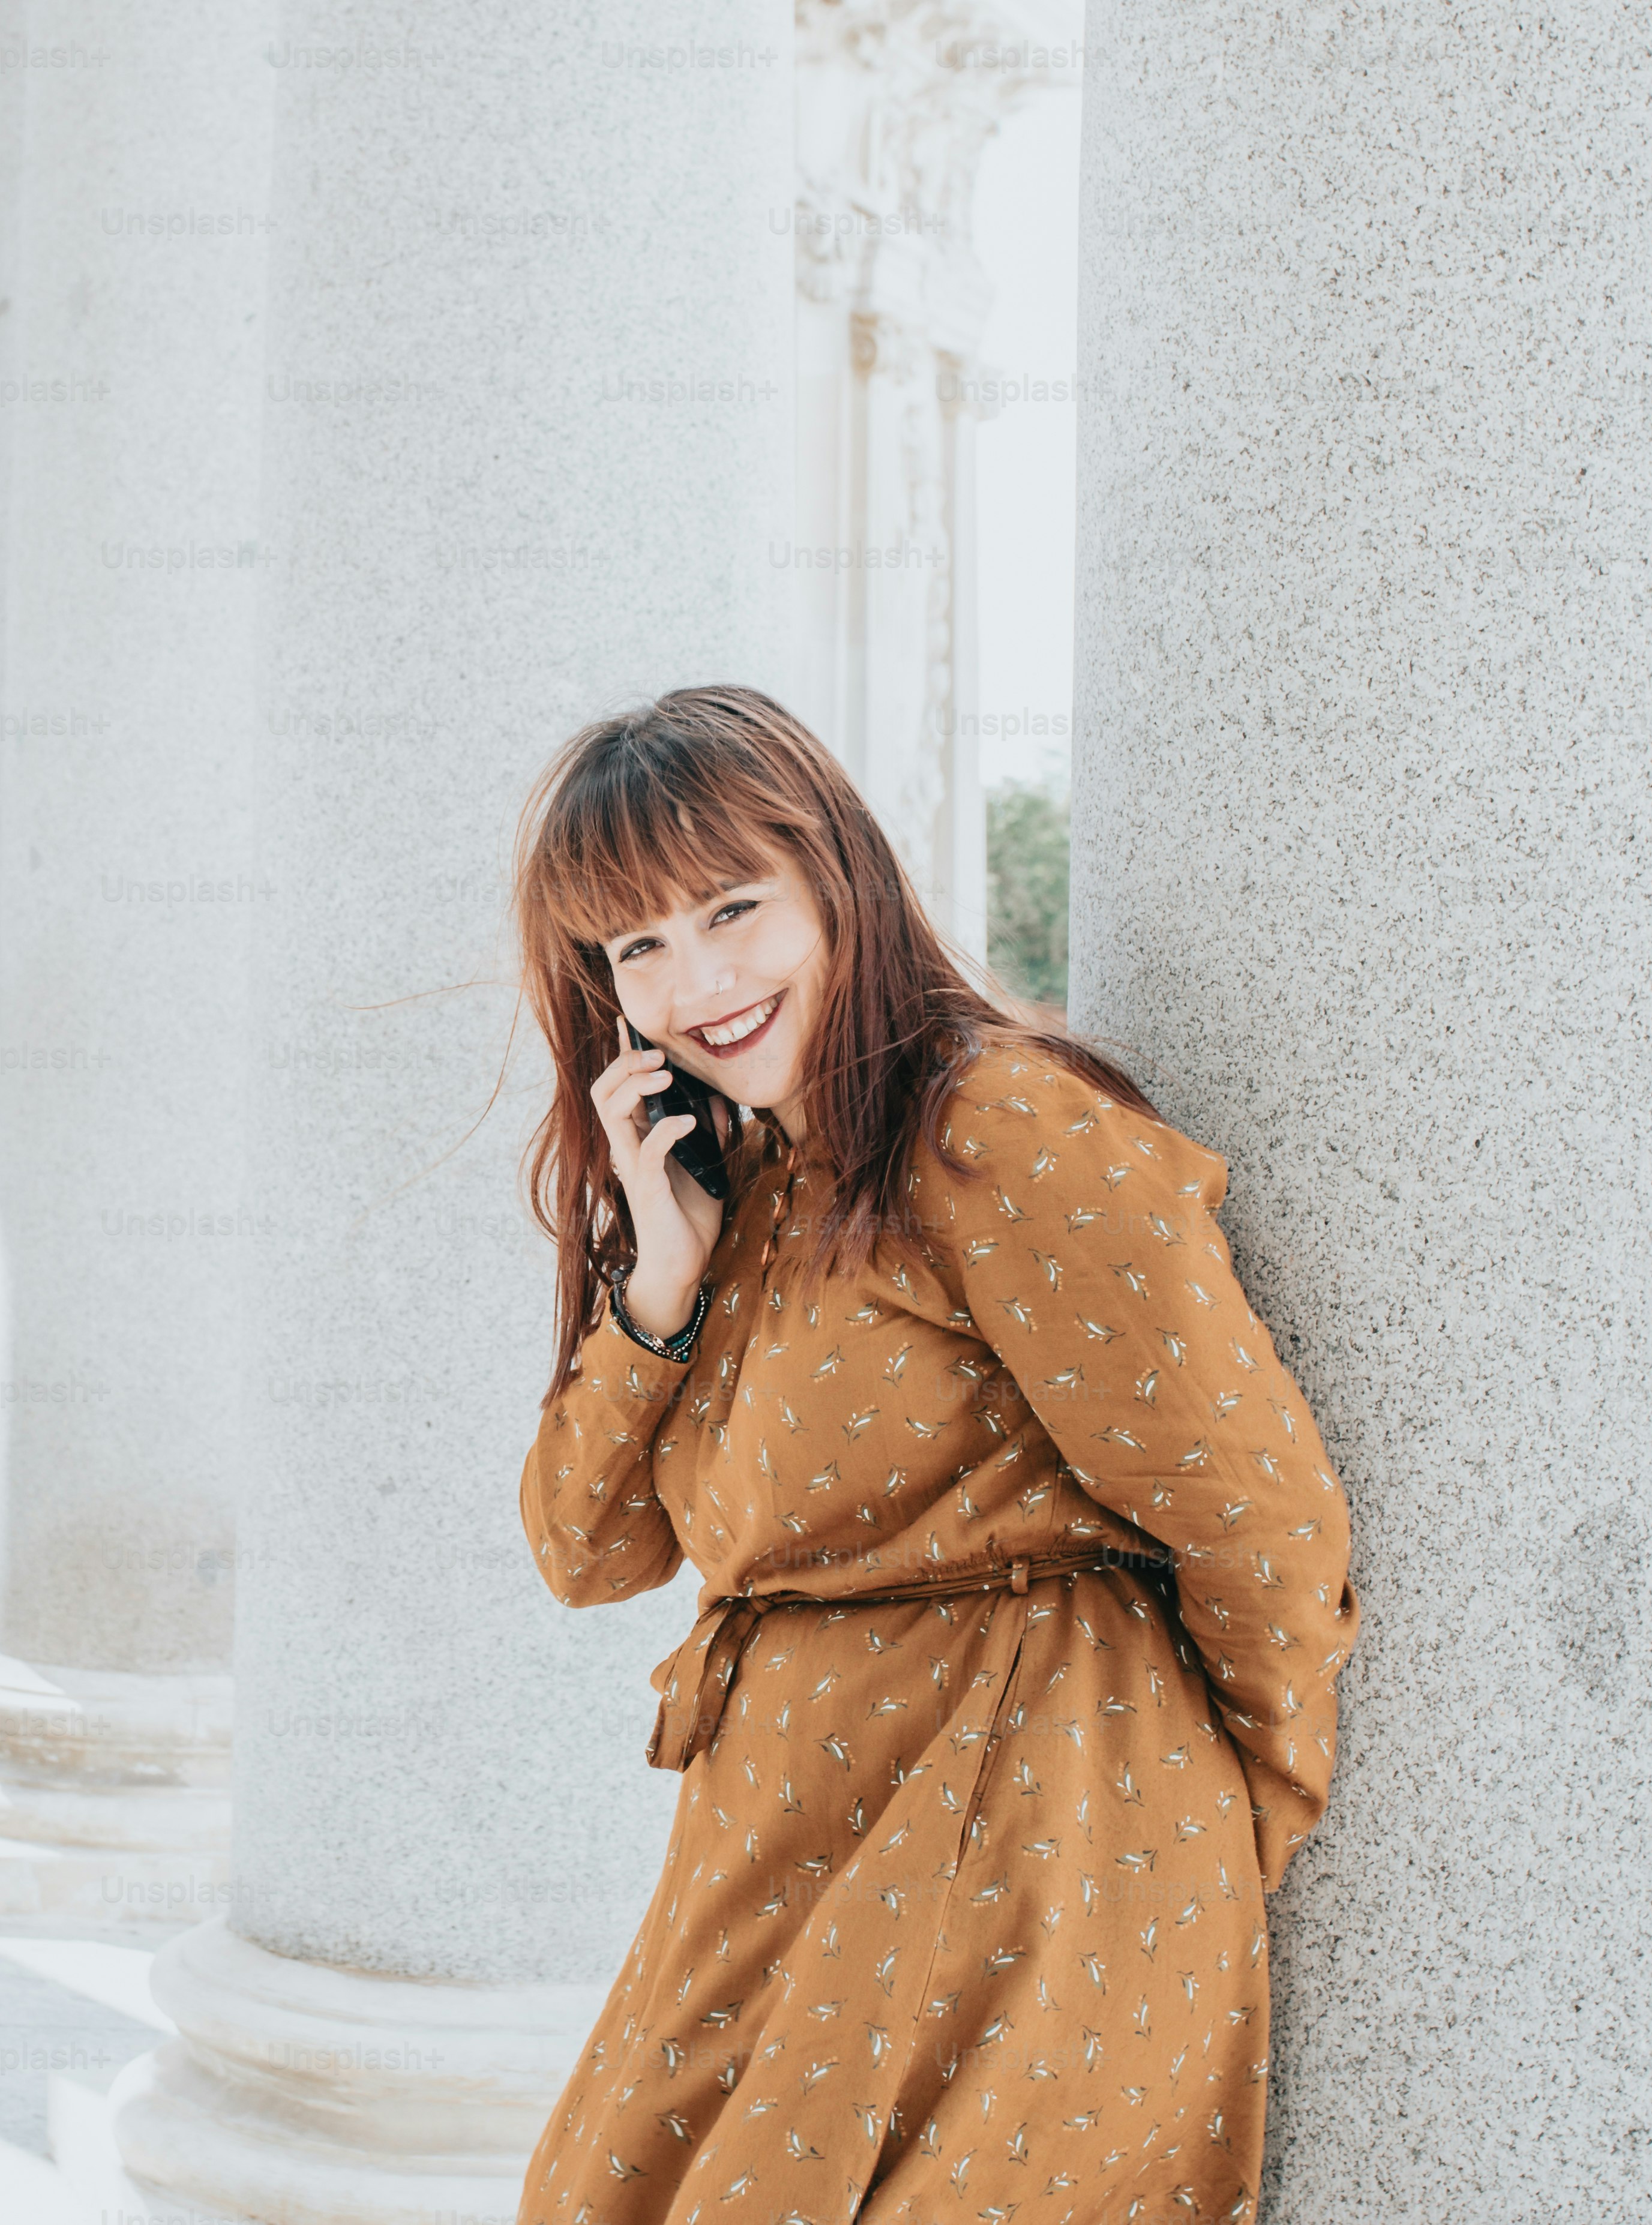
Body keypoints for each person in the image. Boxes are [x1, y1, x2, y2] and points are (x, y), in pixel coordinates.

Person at [508, 686, 1358, 2224]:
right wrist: (657, 1290)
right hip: (772, 1849)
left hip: (1020, 1822)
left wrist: (1232, 1816)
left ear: (837, 874)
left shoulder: (997, 1128)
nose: (694, 982)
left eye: (730, 908)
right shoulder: (730, 1191)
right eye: (638, 947)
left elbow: (1257, 1510)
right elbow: (587, 1553)